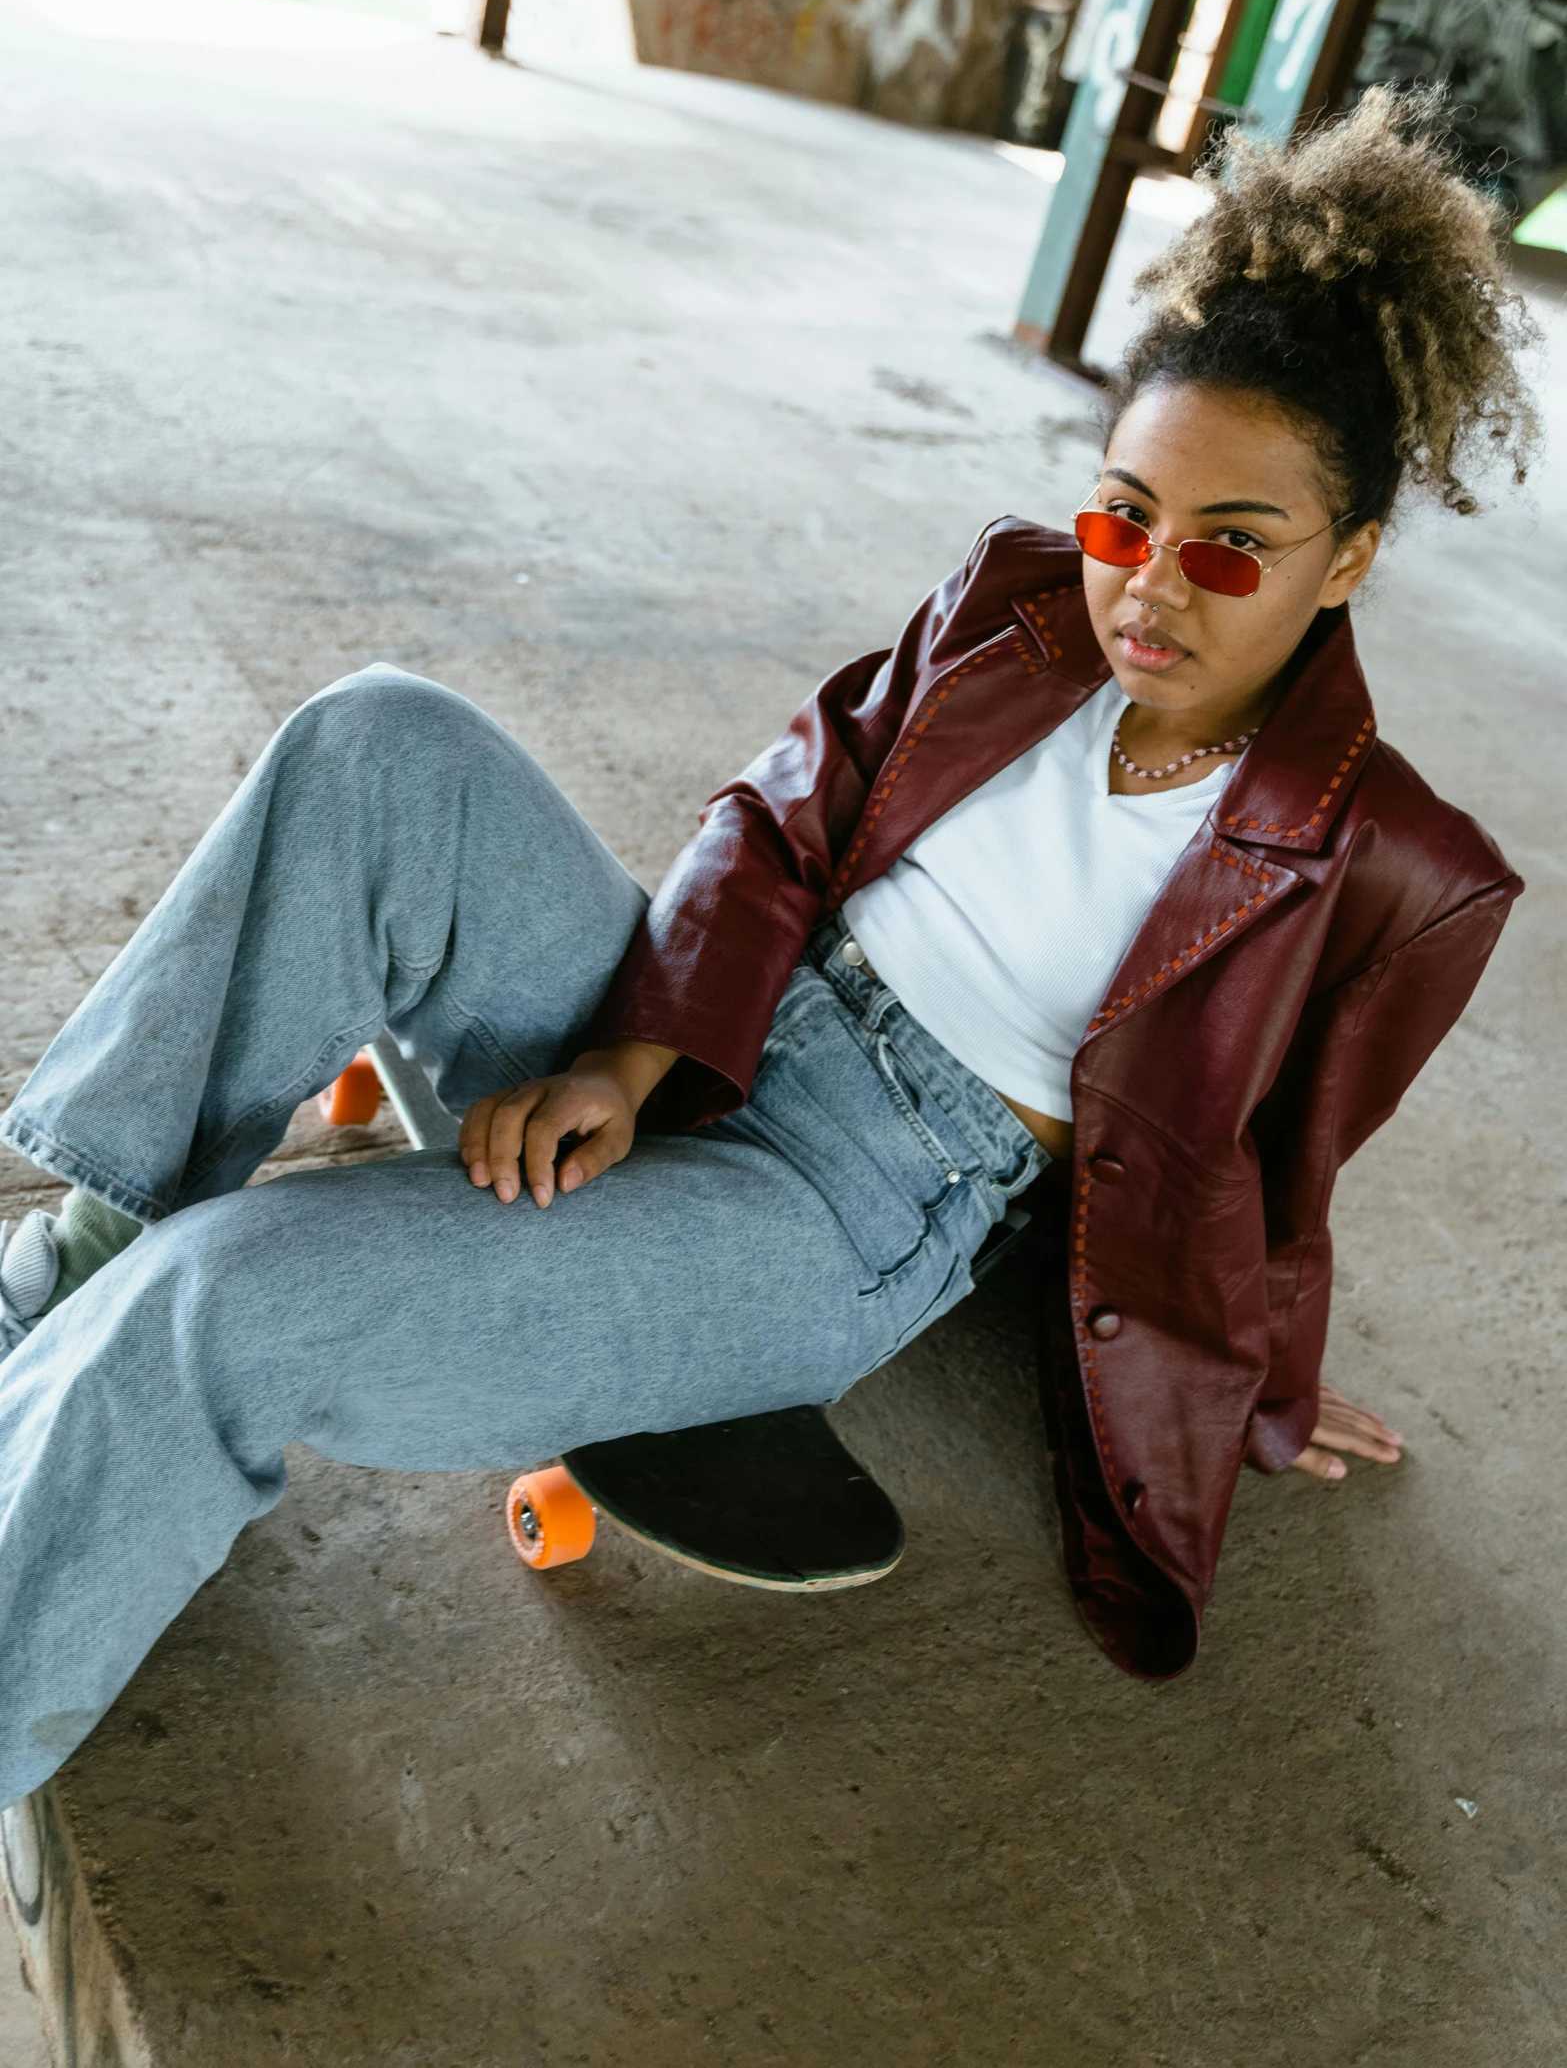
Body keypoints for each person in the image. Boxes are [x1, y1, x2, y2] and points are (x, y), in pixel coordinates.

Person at [0, 91, 1538, 1806]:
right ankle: (78, 1249)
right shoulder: (1016, 604)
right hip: (716, 1013)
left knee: (225, 1305)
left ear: (1349, 561)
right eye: (1122, 515)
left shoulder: (1395, 863)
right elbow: (791, 814)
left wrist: (1253, 1383)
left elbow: (1270, 1160)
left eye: (1228, 550)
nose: (1147, 590)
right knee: (380, 741)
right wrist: (628, 1049)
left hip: (843, 1209)